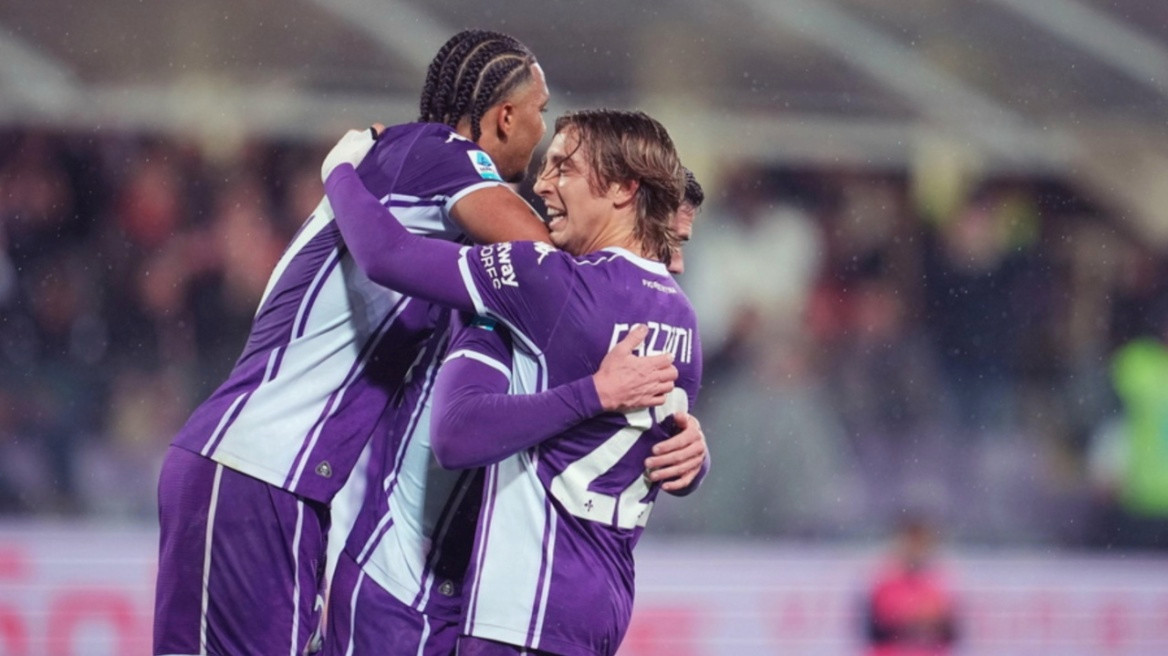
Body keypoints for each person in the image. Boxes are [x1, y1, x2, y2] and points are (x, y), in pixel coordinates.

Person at [153, 28, 705, 656]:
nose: (542, 178)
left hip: (298, 486)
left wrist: (683, 437)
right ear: (505, 116)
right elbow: (529, 263)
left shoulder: (464, 230)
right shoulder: (438, 152)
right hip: (260, 467)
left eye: (564, 167)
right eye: (541, 117)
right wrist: (337, 171)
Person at [322, 108, 702, 655]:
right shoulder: (684, 319)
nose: (541, 185)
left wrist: (339, 170)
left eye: (564, 168)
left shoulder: (549, 282)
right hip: (603, 606)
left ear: (624, 189)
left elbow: (387, 257)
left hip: (523, 606)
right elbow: (661, 449)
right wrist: (696, 460)